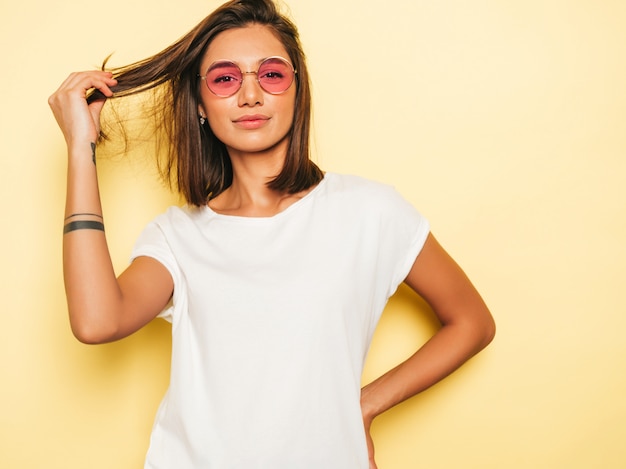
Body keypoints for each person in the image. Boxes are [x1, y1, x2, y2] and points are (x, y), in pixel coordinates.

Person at [48, 0, 495, 467]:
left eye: (272, 75)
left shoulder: (369, 211)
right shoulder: (178, 236)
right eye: (225, 78)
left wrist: (362, 407)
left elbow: (472, 322)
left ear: (297, 91)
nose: (250, 95)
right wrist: (81, 146)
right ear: (200, 105)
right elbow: (97, 322)